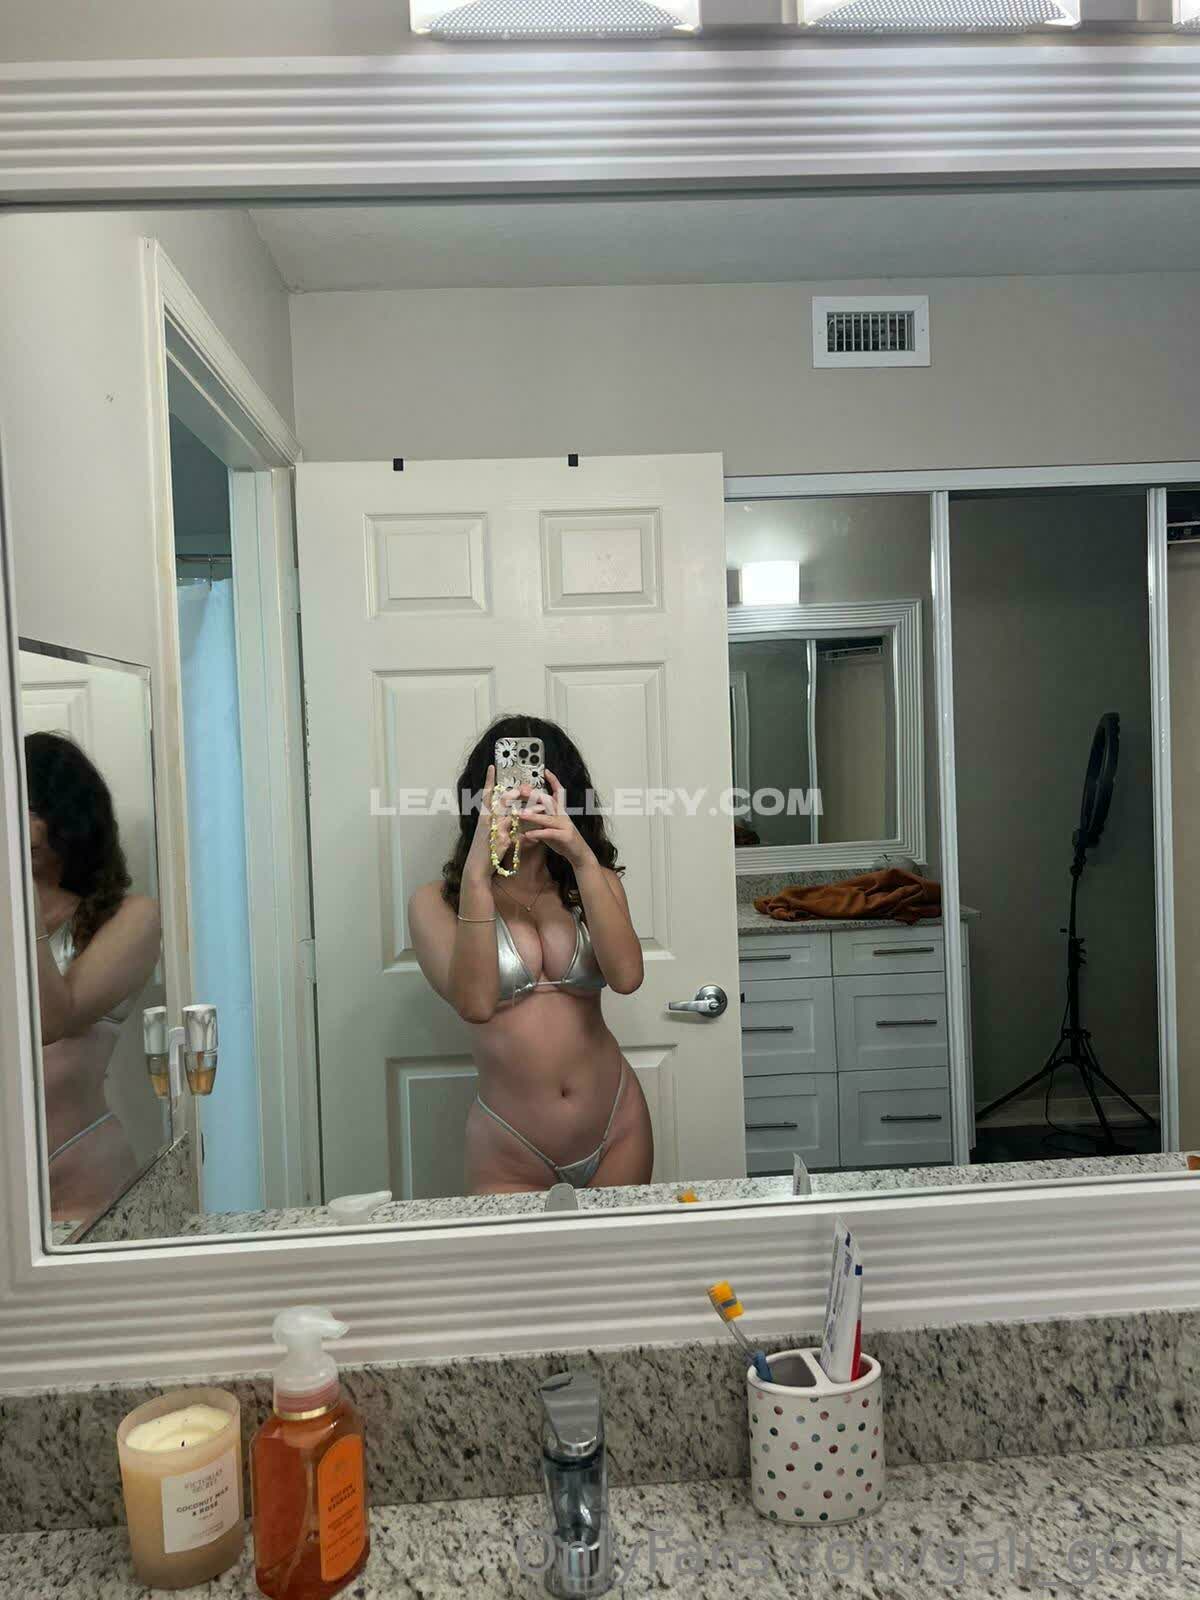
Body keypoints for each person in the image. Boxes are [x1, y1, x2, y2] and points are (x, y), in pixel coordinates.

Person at [409, 716, 653, 1194]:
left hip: (617, 1125)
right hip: (509, 1146)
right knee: (513, 1250)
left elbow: (627, 978)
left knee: (622, 1247)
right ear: (481, 796)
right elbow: (476, 1004)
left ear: (564, 794)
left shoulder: (594, 881)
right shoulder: (435, 903)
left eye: (536, 785)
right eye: (509, 786)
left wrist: (582, 858)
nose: (523, 799)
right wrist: (478, 875)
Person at [25, 732, 162, 1223]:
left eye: (29, 808)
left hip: (81, 1171)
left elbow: (50, 1021)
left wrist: (19, 896)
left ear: (68, 816)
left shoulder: (131, 918)